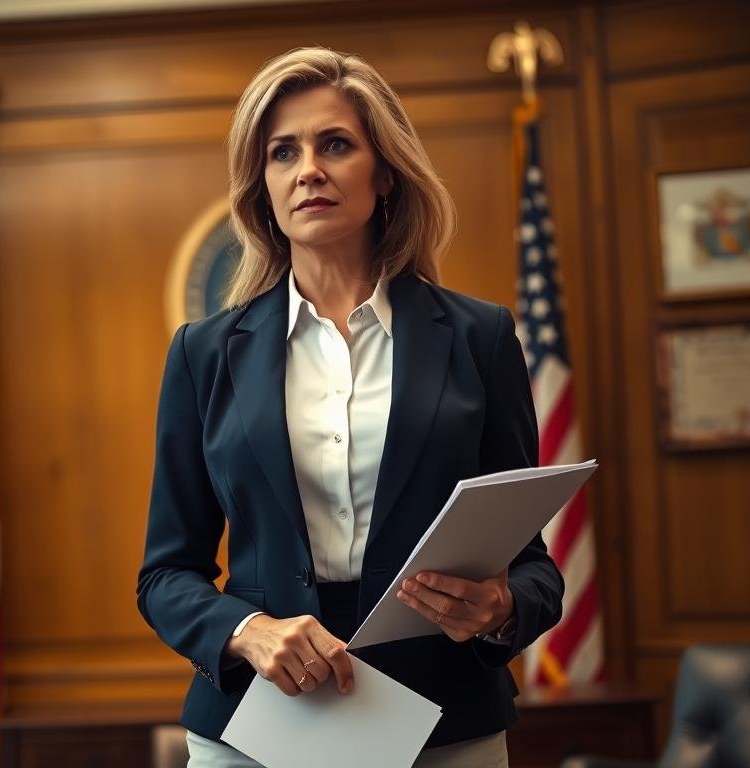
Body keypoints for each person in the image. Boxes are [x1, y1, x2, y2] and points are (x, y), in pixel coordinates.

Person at [137, 46, 564, 768]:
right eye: (282, 153)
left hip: (442, 722)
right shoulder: (203, 354)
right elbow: (165, 576)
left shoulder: (479, 337)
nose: (308, 169)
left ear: (386, 172)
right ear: (263, 187)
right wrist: (247, 630)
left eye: (335, 144)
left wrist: (501, 608)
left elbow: (534, 569)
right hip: (256, 724)